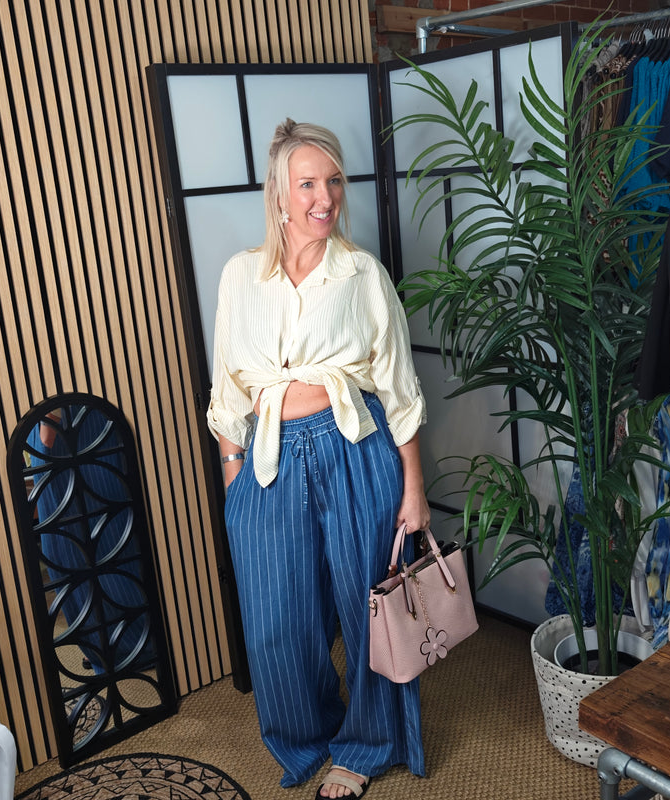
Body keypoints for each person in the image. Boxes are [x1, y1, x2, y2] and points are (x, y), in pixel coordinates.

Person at [206, 119, 430, 799]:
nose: (323, 197)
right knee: (277, 623)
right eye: (307, 183)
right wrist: (233, 473)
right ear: (280, 194)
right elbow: (228, 384)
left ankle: (364, 748)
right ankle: (306, 738)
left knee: (368, 610)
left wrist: (413, 488)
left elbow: (398, 385)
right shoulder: (242, 275)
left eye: (333, 181)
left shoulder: (362, 273)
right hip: (268, 462)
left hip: (354, 450)